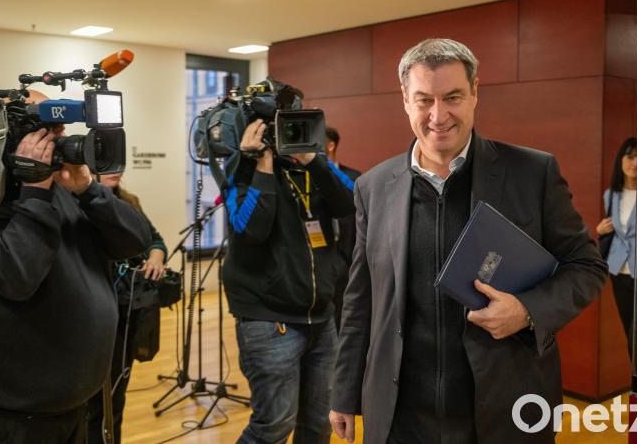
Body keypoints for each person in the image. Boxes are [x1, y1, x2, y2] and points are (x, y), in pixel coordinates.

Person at [329, 38, 607, 444]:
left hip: (503, 406)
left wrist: (527, 311)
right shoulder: (373, 187)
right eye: (423, 100)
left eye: (453, 97)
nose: (438, 115)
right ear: (405, 100)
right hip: (400, 414)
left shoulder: (532, 173)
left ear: (475, 94)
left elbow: (587, 266)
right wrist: (343, 391)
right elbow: (361, 299)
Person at [0, 90, 152, 443]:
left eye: (59, 130)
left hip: (74, 402)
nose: (58, 140)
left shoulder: (65, 188)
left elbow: (134, 242)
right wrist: (34, 191)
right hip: (6, 418)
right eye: (43, 129)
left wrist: (88, 191)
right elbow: (15, 275)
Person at [222, 115, 354, 443]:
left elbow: (351, 201)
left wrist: (313, 159)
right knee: (273, 427)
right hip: (269, 321)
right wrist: (261, 165)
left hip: (321, 320)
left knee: (318, 425)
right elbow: (251, 230)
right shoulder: (239, 172)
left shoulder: (314, 170)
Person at [86, 172, 166, 444]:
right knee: (88, 404)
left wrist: (156, 257)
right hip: (87, 319)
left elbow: (155, 240)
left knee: (114, 395)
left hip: (126, 314)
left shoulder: (130, 203)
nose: (115, 170)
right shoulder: (73, 203)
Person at [597, 137, 637, 356]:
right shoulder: (611, 195)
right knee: (627, 332)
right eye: (630, 156)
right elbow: (613, 229)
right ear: (621, 160)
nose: (635, 163)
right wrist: (600, 231)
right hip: (619, 271)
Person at [324, 126, 361, 331]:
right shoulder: (307, 178)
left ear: (330, 145)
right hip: (322, 258)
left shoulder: (354, 178)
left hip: (347, 259)